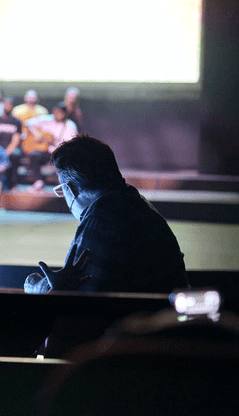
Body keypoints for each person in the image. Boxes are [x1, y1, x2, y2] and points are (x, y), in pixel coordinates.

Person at [25, 135, 188, 356]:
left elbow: (81, 301)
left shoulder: (102, 219)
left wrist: (38, 288)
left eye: (61, 190)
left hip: (121, 354)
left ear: (71, 189)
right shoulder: (135, 206)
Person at [22, 103, 79, 191]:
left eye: (61, 113)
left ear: (65, 114)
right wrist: (37, 134)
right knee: (34, 155)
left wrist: (54, 143)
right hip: (46, 150)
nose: (58, 114)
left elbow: (71, 144)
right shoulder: (47, 119)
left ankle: (65, 186)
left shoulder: (69, 125)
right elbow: (28, 123)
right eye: (56, 112)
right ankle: (38, 181)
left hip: (60, 152)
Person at [0, 96, 24, 190]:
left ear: (12, 106)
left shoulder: (16, 122)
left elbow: (16, 139)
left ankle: (13, 185)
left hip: (11, 149)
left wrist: (6, 152)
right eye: (6, 104)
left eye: (9, 105)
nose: (7, 107)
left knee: (14, 155)